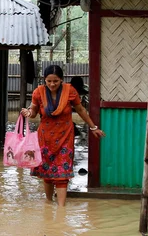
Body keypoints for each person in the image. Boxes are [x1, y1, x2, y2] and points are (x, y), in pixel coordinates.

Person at [20, 65, 105, 206]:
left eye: (56, 81)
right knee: (46, 173)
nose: (52, 84)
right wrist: (29, 113)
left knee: (62, 174)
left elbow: (81, 110)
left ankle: (61, 209)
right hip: (45, 138)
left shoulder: (70, 91)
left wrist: (93, 127)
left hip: (65, 137)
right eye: (49, 81)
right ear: (44, 80)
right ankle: (48, 203)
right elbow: (34, 112)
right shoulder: (38, 93)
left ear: (61, 80)